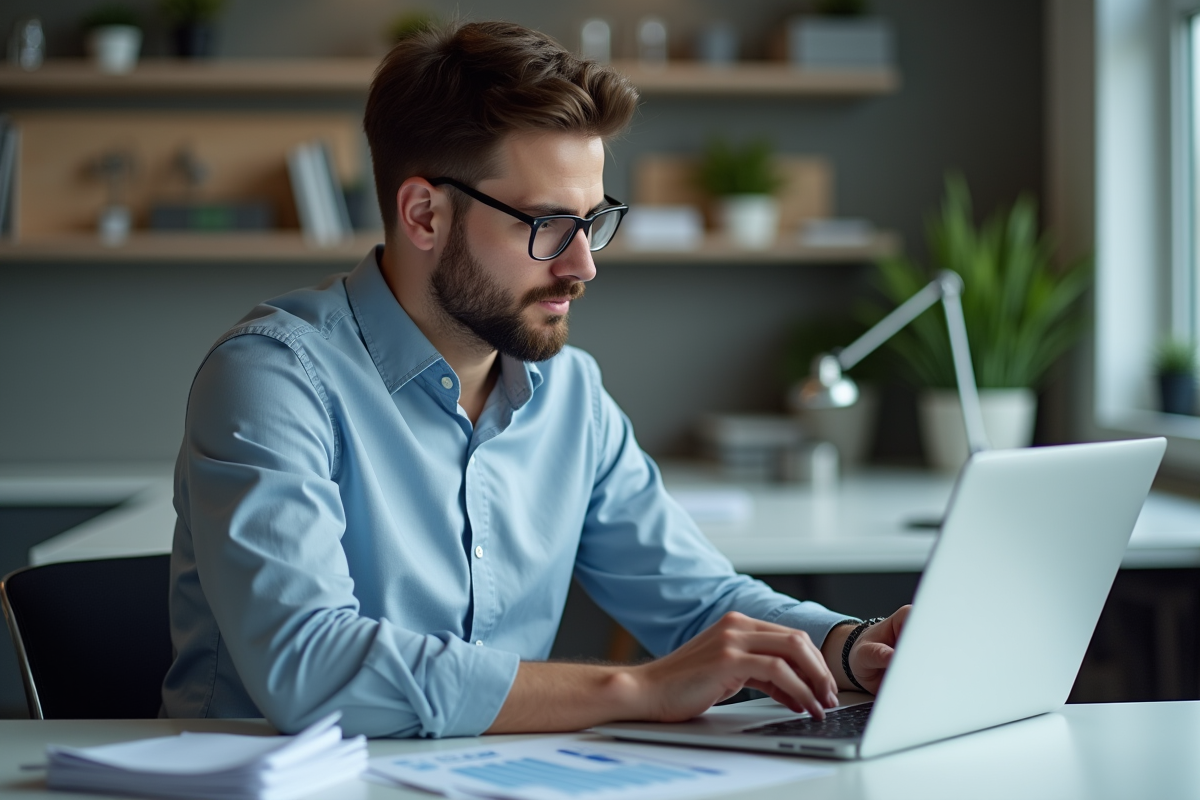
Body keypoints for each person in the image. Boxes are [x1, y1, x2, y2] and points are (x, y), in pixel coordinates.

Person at [162, 19, 909, 738]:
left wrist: (851, 645)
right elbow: (311, 668)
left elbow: (697, 602)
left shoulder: (571, 396)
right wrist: (637, 689)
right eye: (547, 225)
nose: (582, 265)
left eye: (593, 222)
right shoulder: (272, 378)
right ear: (424, 214)